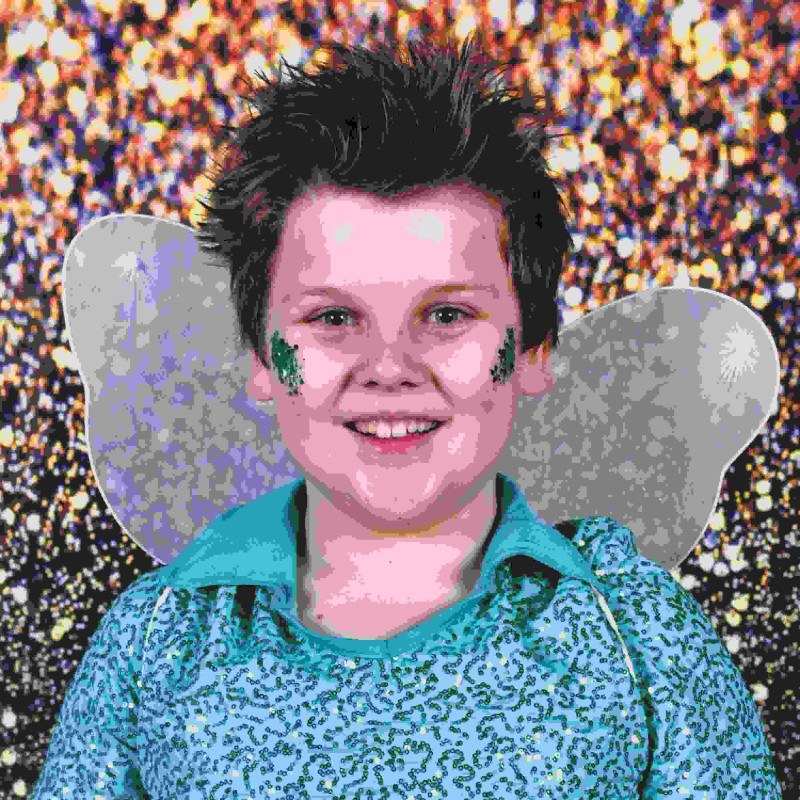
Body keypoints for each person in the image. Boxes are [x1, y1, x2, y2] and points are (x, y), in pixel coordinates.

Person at [32, 33, 782, 799]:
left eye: (447, 315)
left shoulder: (636, 634)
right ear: (262, 357)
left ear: (532, 349)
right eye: (333, 318)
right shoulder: (156, 640)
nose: (389, 367)